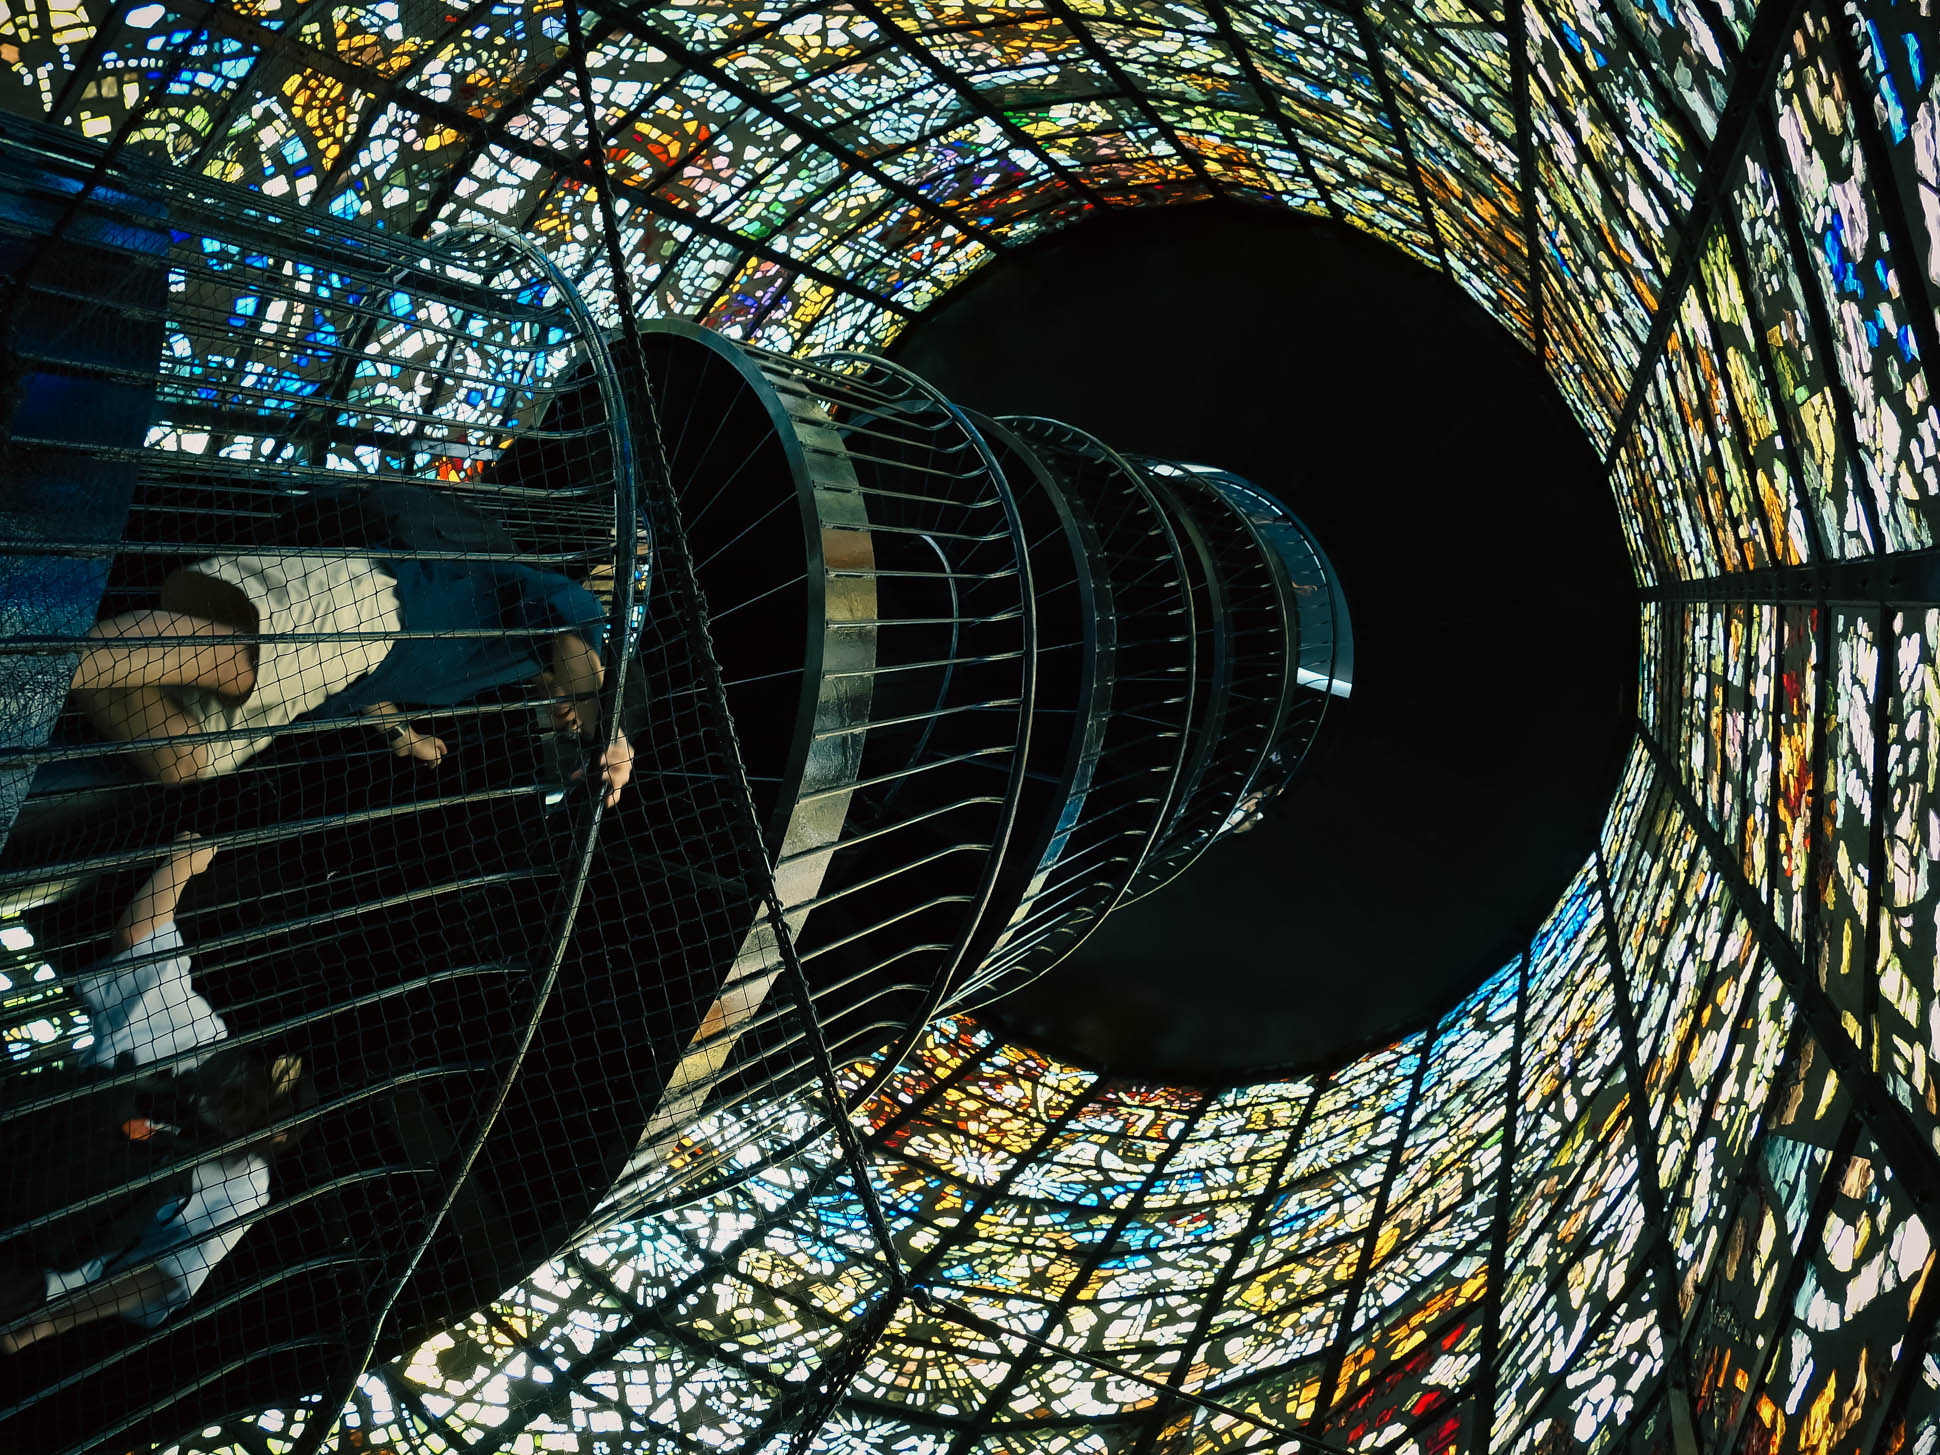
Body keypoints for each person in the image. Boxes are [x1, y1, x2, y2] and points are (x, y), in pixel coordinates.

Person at [67, 494, 634, 807]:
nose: (569, 721)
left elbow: (376, 680)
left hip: (350, 670)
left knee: (188, 759)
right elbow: (573, 646)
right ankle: (40, 664)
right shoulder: (578, 612)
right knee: (235, 661)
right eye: (584, 715)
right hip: (370, 605)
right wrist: (605, 729)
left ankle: (67, 662)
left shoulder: (510, 669)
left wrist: (401, 735)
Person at [0, 834, 310, 1352]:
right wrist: (183, 864)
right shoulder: (206, 1045)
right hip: (32, 1193)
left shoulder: (245, 1174)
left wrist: (185, 862)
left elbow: (169, 1274)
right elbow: (167, 1277)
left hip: (36, 1242)